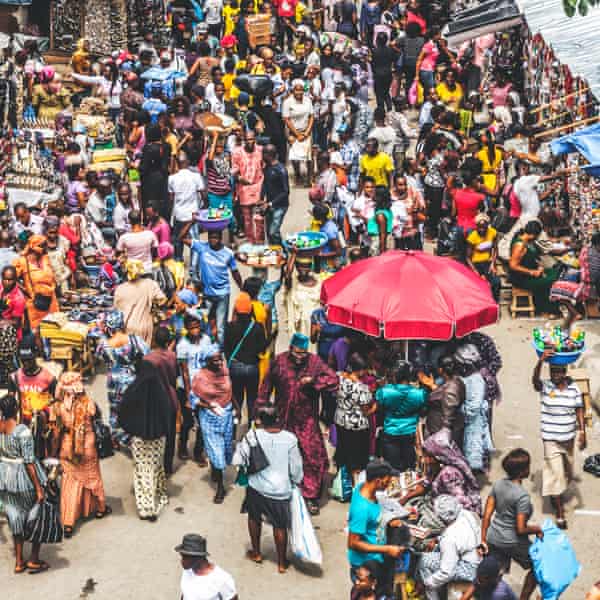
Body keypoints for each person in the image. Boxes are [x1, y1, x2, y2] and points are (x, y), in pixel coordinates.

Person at [257, 333, 338, 515]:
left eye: (303, 353)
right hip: (283, 418)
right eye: (297, 353)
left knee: (311, 456)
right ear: (291, 349)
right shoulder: (279, 361)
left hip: (307, 419)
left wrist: (314, 382)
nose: (300, 357)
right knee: (281, 457)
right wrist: (261, 411)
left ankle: (310, 496)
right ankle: (282, 494)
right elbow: (265, 386)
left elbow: (334, 380)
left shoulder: (315, 363)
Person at [233, 405, 303, 572]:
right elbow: (296, 467)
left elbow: (238, 460)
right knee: (280, 525)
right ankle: (281, 563)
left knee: (254, 518)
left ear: (259, 420)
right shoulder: (290, 439)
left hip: (256, 487)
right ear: (277, 419)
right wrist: (294, 481)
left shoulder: (252, 436)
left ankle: (256, 553)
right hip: (280, 490)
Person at [51, 372, 110, 537]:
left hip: (68, 448)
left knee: (70, 483)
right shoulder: (89, 403)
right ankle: (99, 509)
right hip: (88, 447)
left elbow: (55, 434)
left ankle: (68, 523)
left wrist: (53, 452)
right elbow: (97, 419)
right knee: (92, 476)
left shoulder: (58, 407)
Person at [532, 350, 586, 528]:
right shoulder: (546, 386)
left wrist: (583, 432)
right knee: (556, 474)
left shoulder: (574, 389)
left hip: (568, 439)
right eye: (552, 371)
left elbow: (579, 409)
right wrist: (540, 362)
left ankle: (559, 491)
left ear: (565, 372)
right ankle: (560, 513)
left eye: (558, 371)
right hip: (551, 440)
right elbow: (535, 381)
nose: (555, 375)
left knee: (567, 473)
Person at [119, 359, 175, 521]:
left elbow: (123, 413)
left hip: (139, 440)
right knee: (156, 467)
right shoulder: (160, 391)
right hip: (158, 439)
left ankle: (146, 508)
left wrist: (131, 430)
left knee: (141, 469)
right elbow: (168, 413)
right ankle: (158, 497)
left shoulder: (134, 390)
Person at [480, 449, 540, 600]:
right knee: (538, 566)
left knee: (495, 575)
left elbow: (487, 515)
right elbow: (520, 529)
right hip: (512, 541)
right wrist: (537, 529)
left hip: (493, 537)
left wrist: (483, 539)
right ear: (521, 472)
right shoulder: (522, 497)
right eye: (527, 466)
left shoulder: (499, 484)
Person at [0, 393, 49, 574]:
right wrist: (38, 488)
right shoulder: (23, 432)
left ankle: (19, 561)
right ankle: (34, 559)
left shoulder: (1, 428)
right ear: (16, 409)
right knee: (38, 515)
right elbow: (29, 462)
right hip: (23, 480)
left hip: (5, 480)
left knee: (15, 518)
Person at [181, 225, 243, 346]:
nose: (212, 240)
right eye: (210, 237)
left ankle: (219, 353)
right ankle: (205, 347)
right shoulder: (202, 247)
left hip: (222, 295)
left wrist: (242, 288)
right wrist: (192, 221)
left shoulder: (228, 253)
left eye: (215, 237)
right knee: (203, 322)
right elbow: (182, 237)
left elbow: (235, 272)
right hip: (207, 294)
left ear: (220, 238)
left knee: (221, 328)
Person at [96, 310, 150, 447]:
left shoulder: (104, 344)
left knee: (115, 409)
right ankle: (134, 438)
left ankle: (118, 438)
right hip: (132, 379)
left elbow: (99, 356)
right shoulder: (134, 339)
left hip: (114, 381)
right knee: (133, 408)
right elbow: (147, 354)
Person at [192, 345, 238, 504]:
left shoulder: (224, 371)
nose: (219, 362)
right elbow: (193, 401)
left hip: (226, 417)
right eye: (215, 360)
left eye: (220, 358)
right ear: (206, 362)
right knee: (216, 451)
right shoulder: (200, 377)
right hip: (209, 418)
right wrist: (209, 406)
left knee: (225, 450)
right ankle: (220, 487)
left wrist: (237, 409)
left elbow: (230, 392)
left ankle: (216, 469)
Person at [347, 459, 406, 579]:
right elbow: (353, 543)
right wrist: (387, 549)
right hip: (366, 565)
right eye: (387, 482)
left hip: (375, 557)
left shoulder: (362, 487)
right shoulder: (362, 509)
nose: (389, 484)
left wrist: (387, 519)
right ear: (378, 481)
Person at [401, 431, 481, 516]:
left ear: (437, 455)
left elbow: (462, 503)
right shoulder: (434, 466)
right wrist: (405, 498)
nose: (424, 460)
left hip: (451, 512)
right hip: (439, 505)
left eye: (427, 456)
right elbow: (424, 485)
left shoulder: (449, 473)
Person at [418, 495, 481, 600]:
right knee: (435, 552)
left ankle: (432, 596)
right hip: (477, 556)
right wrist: (438, 539)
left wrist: (427, 583)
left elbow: (447, 572)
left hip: (470, 569)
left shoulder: (449, 538)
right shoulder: (466, 514)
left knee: (424, 561)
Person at [375, 361, 431, 471]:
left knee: (392, 468)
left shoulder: (384, 391)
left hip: (390, 432)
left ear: (395, 375)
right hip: (409, 434)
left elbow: (380, 408)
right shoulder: (419, 394)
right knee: (409, 468)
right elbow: (423, 409)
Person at [224, 292, 267, 422]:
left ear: (236, 310)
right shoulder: (257, 327)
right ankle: (251, 429)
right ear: (251, 310)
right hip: (252, 367)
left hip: (236, 367)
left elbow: (226, 349)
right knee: (252, 400)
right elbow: (262, 348)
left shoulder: (229, 327)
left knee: (236, 400)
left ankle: (233, 430)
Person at [177, 311, 213, 464]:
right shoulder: (182, 345)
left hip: (203, 387)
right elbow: (184, 372)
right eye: (192, 328)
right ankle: (182, 446)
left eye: (197, 327)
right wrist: (188, 396)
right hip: (186, 388)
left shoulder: (206, 340)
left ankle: (198, 452)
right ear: (186, 328)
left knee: (203, 422)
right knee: (188, 422)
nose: (195, 330)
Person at [144, 326, 178, 475]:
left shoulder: (148, 358)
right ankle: (168, 466)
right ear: (168, 341)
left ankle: (153, 464)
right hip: (170, 397)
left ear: (154, 340)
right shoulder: (172, 356)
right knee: (170, 435)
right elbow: (173, 377)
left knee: (153, 434)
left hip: (153, 399)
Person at [334, 353, 373, 481]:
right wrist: (376, 405)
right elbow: (366, 411)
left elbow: (340, 374)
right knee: (357, 460)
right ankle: (355, 487)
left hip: (341, 421)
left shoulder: (339, 379)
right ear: (361, 370)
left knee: (343, 453)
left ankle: (341, 482)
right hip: (357, 426)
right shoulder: (362, 388)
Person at [508, 220, 560, 317]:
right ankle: (546, 310)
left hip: (529, 274)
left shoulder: (528, 242)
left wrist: (539, 267)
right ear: (534, 234)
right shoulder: (520, 245)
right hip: (522, 279)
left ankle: (547, 307)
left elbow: (533, 257)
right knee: (551, 281)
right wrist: (531, 272)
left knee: (555, 272)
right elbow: (513, 265)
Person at [114, 259, 167, 345]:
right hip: (145, 326)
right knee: (144, 352)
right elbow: (162, 300)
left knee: (130, 353)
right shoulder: (150, 284)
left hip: (127, 326)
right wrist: (153, 306)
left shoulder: (120, 289)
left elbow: (117, 311)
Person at [13, 234, 59, 331]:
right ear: (33, 246)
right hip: (35, 303)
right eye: (41, 245)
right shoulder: (22, 262)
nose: (44, 248)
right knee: (38, 333)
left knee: (53, 330)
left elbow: (52, 276)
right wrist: (25, 290)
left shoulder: (45, 258)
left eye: (45, 245)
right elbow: (11, 279)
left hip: (51, 301)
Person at [175, 533, 238, 600]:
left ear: (198, 557)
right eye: (182, 556)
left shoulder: (222, 579)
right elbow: (186, 594)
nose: (182, 561)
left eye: (185, 557)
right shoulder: (188, 570)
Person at [169, 152, 205, 260]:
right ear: (188, 162)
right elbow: (203, 195)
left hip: (179, 215)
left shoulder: (172, 178)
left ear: (178, 164)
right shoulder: (196, 176)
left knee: (178, 242)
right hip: (193, 215)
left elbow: (171, 199)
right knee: (194, 243)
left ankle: (178, 263)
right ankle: (193, 272)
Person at [232, 130, 264, 243]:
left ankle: (260, 242)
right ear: (244, 140)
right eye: (247, 139)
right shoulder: (237, 152)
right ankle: (251, 242)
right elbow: (234, 172)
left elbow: (264, 166)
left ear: (255, 139)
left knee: (259, 218)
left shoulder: (260, 150)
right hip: (244, 189)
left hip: (258, 186)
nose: (249, 142)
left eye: (251, 139)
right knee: (247, 219)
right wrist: (241, 179)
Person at [424, 355, 466, 445]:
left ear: (440, 370)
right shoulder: (456, 381)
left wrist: (445, 431)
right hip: (441, 429)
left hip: (441, 433)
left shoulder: (451, 388)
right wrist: (433, 386)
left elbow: (449, 410)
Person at [284, 254, 322, 347]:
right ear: (296, 267)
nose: (303, 269)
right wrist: (293, 254)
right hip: (301, 327)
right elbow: (288, 274)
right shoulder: (293, 283)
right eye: (300, 266)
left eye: (306, 266)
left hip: (316, 325)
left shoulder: (318, 280)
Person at [282, 79, 314, 185]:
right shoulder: (287, 102)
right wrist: (297, 134)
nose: (299, 92)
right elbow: (286, 119)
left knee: (309, 156)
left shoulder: (308, 100)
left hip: (306, 130)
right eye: (297, 90)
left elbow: (311, 116)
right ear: (293, 90)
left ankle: (310, 178)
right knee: (295, 156)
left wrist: (306, 132)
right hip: (292, 131)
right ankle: (298, 174)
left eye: (301, 90)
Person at [466, 214, 500, 302]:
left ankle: (495, 302)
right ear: (476, 227)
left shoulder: (493, 232)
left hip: (488, 262)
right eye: (479, 227)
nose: (481, 229)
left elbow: (495, 249)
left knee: (496, 282)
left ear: (487, 226)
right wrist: (474, 271)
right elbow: (468, 257)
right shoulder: (472, 237)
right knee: (477, 284)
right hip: (476, 263)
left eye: (484, 227)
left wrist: (493, 263)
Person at [261, 144, 290, 246]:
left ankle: (284, 251)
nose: (261, 156)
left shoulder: (281, 170)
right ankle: (274, 253)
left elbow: (286, 192)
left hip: (280, 206)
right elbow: (265, 183)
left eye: (263, 154)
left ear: (268, 155)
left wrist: (270, 203)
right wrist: (261, 198)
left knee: (273, 232)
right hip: (269, 205)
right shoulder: (267, 167)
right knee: (269, 233)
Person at [116, 209, 159, 275]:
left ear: (129, 221)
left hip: (132, 272)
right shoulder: (150, 234)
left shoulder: (124, 237)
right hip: (147, 270)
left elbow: (118, 255)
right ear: (141, 219)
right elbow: (155, 253)